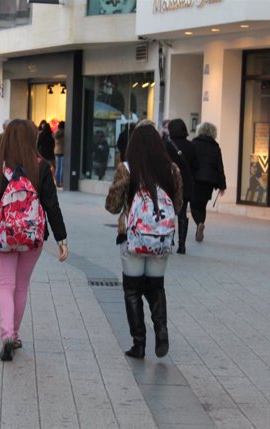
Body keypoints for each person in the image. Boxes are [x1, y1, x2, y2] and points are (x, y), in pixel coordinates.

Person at [0, 119, 68, 362]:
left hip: (3, 234)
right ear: (31, 139)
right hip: (33, 236)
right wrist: (61, 238)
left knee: (6, 284)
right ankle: (14, 335)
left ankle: (6, 335)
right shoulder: (41, 167)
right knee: (22, 285)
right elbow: (51, 205)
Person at [105, 124, 182, 359]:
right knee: (156, 286)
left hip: (132, 237)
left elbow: (112, 206)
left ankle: (139, 344)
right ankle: (161, 332)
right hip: (160, 238)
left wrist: (122, 185)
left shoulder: (126, 169)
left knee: (132, 289)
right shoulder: (172, 170)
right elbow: (177, 206)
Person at [191, 122, 226, 243]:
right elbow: (219, 167)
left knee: (194, 205)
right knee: (202, 205)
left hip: (196, 179)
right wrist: (222, 185)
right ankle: (200, 225)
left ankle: (199, 223)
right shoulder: (215, 147)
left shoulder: (194, 144)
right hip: (209, 181)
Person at [167, 119, 199, 254]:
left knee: (168, 212)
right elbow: (196, 166)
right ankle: (182, 245)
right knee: (182, 212)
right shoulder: (191, 146)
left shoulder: (166, 145)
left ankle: (168, 242)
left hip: (169, 183)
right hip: (185, 184)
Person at [53, 121, 65, 188]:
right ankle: (61, 182)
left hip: (56, 151)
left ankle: (57, 182)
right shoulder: (64, 133)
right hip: (62, 151)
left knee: (57, 167)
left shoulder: (55, 132)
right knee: (62, 168)